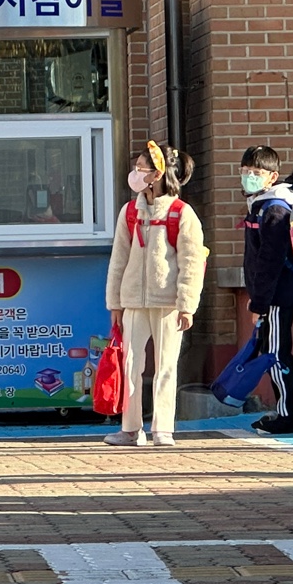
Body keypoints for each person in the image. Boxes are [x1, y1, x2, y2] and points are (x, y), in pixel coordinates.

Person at [104, 141, 207, 447]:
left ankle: (163, 427)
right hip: (133, 300)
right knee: (130, 365)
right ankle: (131, 427)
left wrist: (187, 304)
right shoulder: (129, 212)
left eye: (142, 168)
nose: (136, 173)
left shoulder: (181, 213)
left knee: (165, 366)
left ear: (159, 173)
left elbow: (192, 262)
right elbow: (118, 259)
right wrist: (115, 302)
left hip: (168, 303)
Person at [240, 145, 293, 435]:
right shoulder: (260, 204)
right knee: (276, 347)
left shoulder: (274, 209)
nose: (248, 177)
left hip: (276, 294)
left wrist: (259, 302)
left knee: (274, 353)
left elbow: (269, 261)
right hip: (271, 294)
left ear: (272, 176)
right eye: (245, 171)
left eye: (256, 173)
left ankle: (285, 415)